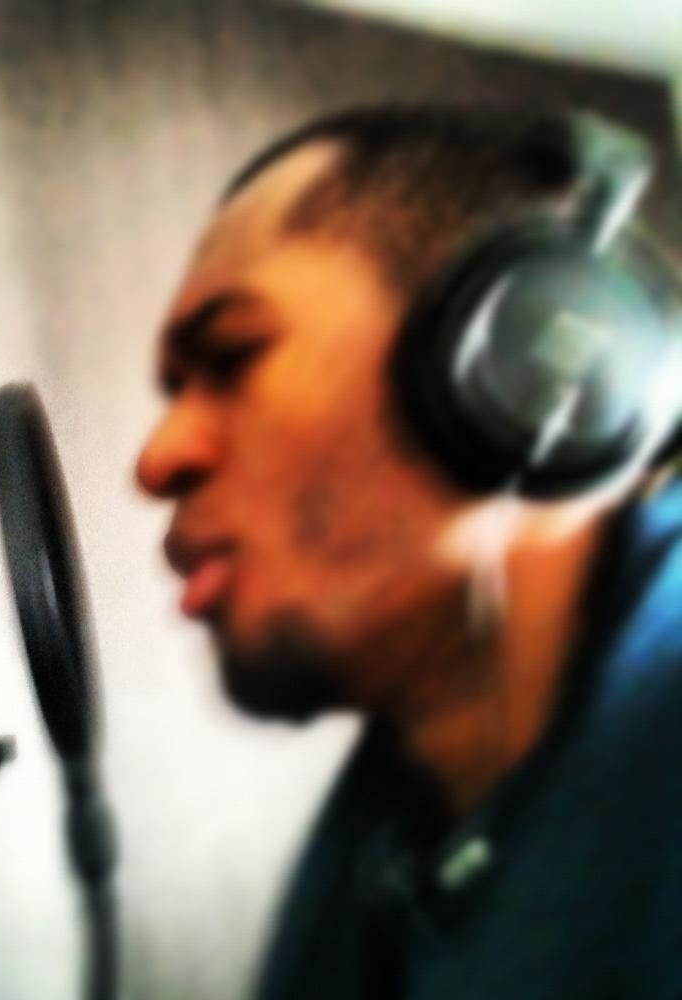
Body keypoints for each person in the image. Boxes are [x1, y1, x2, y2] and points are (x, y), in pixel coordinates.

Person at [133, 106, 682, 999]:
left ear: (521, 374)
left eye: (231, 358)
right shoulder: (384, 838)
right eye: (174, 392)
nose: (158, 459)